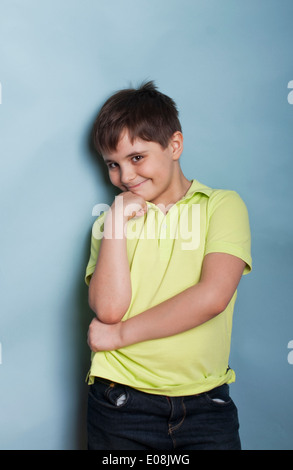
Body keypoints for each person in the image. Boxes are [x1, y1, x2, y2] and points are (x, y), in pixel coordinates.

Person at [84, 81, 252, 450]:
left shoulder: (221, 206)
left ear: (174, 145)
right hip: (121, 402)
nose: (125, 176)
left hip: (206, 405)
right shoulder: (110, 222)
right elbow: (110, 309)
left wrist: (119, 336)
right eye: (113, 164)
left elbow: (212, 297)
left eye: (137, 157)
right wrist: (115, 224)